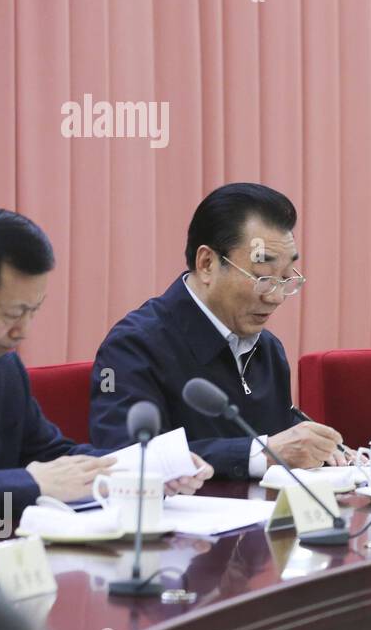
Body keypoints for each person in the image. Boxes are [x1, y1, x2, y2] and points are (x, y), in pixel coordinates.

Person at [91, 183, 347, 479]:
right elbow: (123, 456)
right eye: (263, 277)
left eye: (287, 278)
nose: (276, 297)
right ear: (207, 263)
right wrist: (262, 454)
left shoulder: (267, 349)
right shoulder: (134, 345)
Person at [0, 209, 140, 511]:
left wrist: (142, 469)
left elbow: (46, 453)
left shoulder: (2, 368)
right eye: (13, 314)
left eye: (34, 311)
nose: (23, 331)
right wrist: (33, 485)